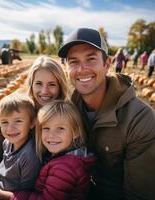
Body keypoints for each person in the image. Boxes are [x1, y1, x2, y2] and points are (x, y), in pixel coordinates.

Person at [58, 27, 155, 200]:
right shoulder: (67, 110)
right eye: (73, 62)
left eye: (91, 59)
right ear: (65, 67)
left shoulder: (140, 119)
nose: (81, 69)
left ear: (107, 64)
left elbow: (139, 194)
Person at [0, 55, 69, 186]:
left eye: (52, 84)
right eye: (38, 84)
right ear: (31, 84)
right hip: (7, 179)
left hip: (39, 188)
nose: (44, 91)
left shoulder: (66, 118)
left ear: (60, 86)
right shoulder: (18, 111)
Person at [0, 100, 96, 200]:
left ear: (75, 133)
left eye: (60, 128)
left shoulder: (64, 168)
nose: (51, 135)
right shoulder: (63, 155)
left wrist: (8, 196)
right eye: (46, 128)